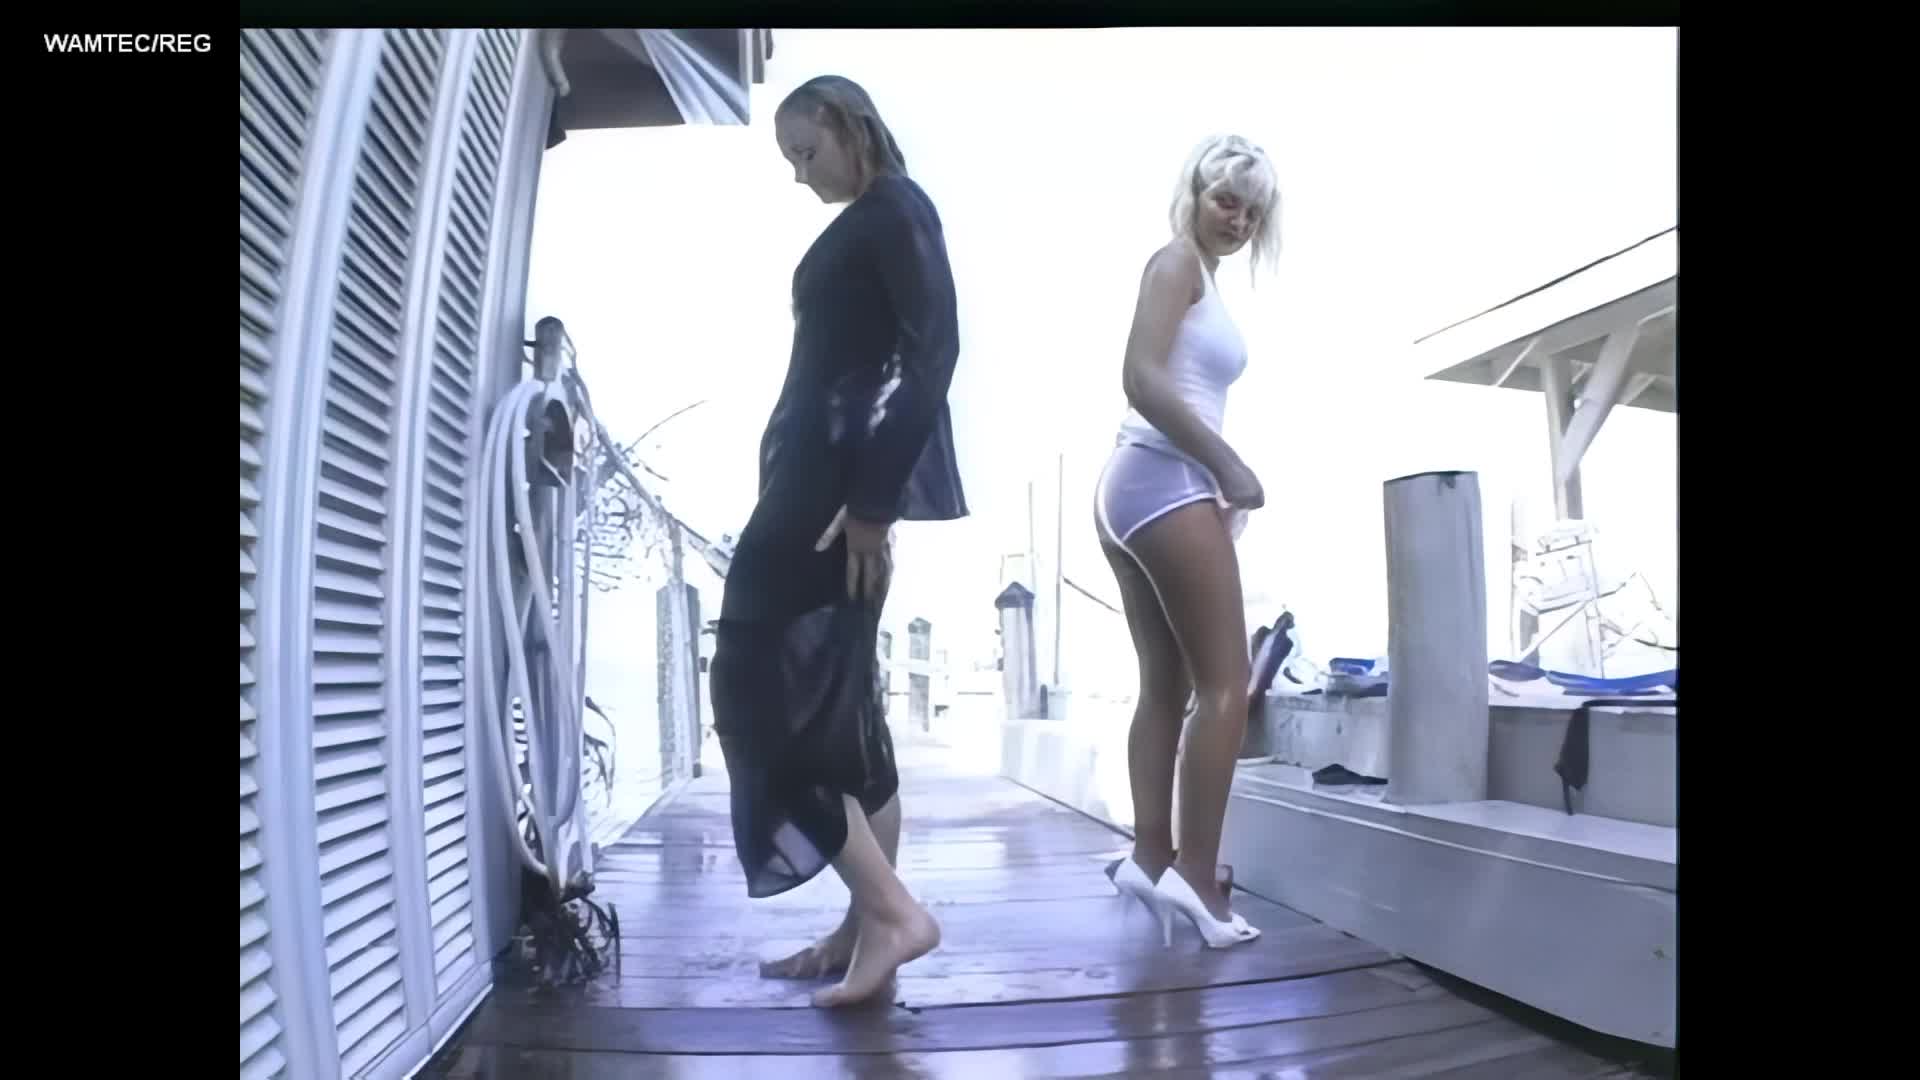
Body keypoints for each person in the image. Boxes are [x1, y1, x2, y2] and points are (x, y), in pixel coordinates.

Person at [710, 74, 968, 1007]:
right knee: (847, 717)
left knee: (750, 689)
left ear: (846, 123)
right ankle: (864, 935)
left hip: (827, 501)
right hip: (825, 492)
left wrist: (870, 503)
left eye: (805, 151)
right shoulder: (878, 217)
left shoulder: (896, 208)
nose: (799, 173)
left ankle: (892, 914)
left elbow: (933, 353)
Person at [1094, 135, 1279, 949]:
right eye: (1225, 199)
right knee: (1227, 687)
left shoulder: (1199, 274)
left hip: (1138, 483)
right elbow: (1140, 376)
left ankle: (1151, 857)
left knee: (1165, 687)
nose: (1237, 219)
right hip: (1163, 477)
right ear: (1194, 195)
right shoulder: (1175, 263)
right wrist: (1228, 466)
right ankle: (1199, 883)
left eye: (1252, 210)